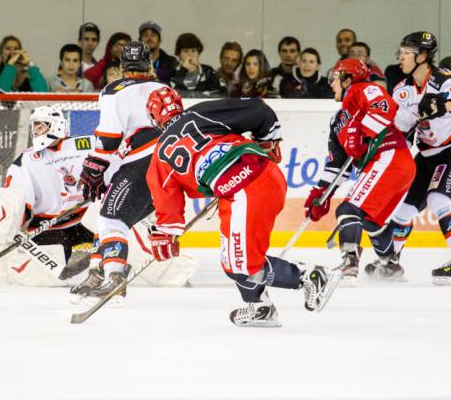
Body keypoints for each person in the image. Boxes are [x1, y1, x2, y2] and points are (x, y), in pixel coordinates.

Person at [145, 88, 340, 326]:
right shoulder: (201, 112)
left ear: (154, 120)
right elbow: (258, 109)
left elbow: (169, 209)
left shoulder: (159, 157)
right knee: (232, 257)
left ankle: (310, 277)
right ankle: (259, 307)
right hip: (265, 174)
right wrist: (268, 143)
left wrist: (166, 235)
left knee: (240, 262)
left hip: (245, 191)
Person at [70, 42, 168, 302]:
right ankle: (97, 272)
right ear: (149, 64)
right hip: (169, 166)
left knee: (111, 220)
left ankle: (114, 277)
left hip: (142, 162)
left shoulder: (113, 90)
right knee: (108, 218)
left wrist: (95, 165)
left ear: (122, 66)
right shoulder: (166, 88)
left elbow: (110, 138)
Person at [304, 59, 415, 285]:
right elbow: (337, 164)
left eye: (335, 78)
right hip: (388, 165)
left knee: (348, 209)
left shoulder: (363, 88)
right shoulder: (337, 120)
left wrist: (363, 131)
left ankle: (349, 262)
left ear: (347, 78)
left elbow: (385, 105)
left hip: (389, 156)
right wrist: (320, 193)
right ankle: (390, 265)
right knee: (371, 222)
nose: (332, 84)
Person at [390, 31, 451, 286]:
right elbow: (402, 131)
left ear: (423, 56)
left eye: (406, 53)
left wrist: (445, 105)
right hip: (429, 154)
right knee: (402, 207)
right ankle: (391, 262)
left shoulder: (445, 80)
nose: (401, 58)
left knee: (439, 198)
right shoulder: (402, 91)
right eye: (401, 52)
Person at [0, 105, 95, 286]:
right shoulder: (26, 161)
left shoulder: (86, 144)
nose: (37, 130)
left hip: (87, 215)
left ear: (56, 125)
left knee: (115, 229)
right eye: (35, 126)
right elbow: (16, 197)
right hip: (51, 224)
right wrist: (9, 224)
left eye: (42, 125)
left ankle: (115, 261)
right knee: (44, 277)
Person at [170, 32, 226, 98]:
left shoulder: (209, 72)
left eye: (193, 51)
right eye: (185, 51)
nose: (190, 55)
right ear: (179, 55)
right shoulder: (172, 72)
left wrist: (194, 95)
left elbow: (222, 94)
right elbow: (171, 94)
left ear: (198, 54)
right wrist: (183, 71)